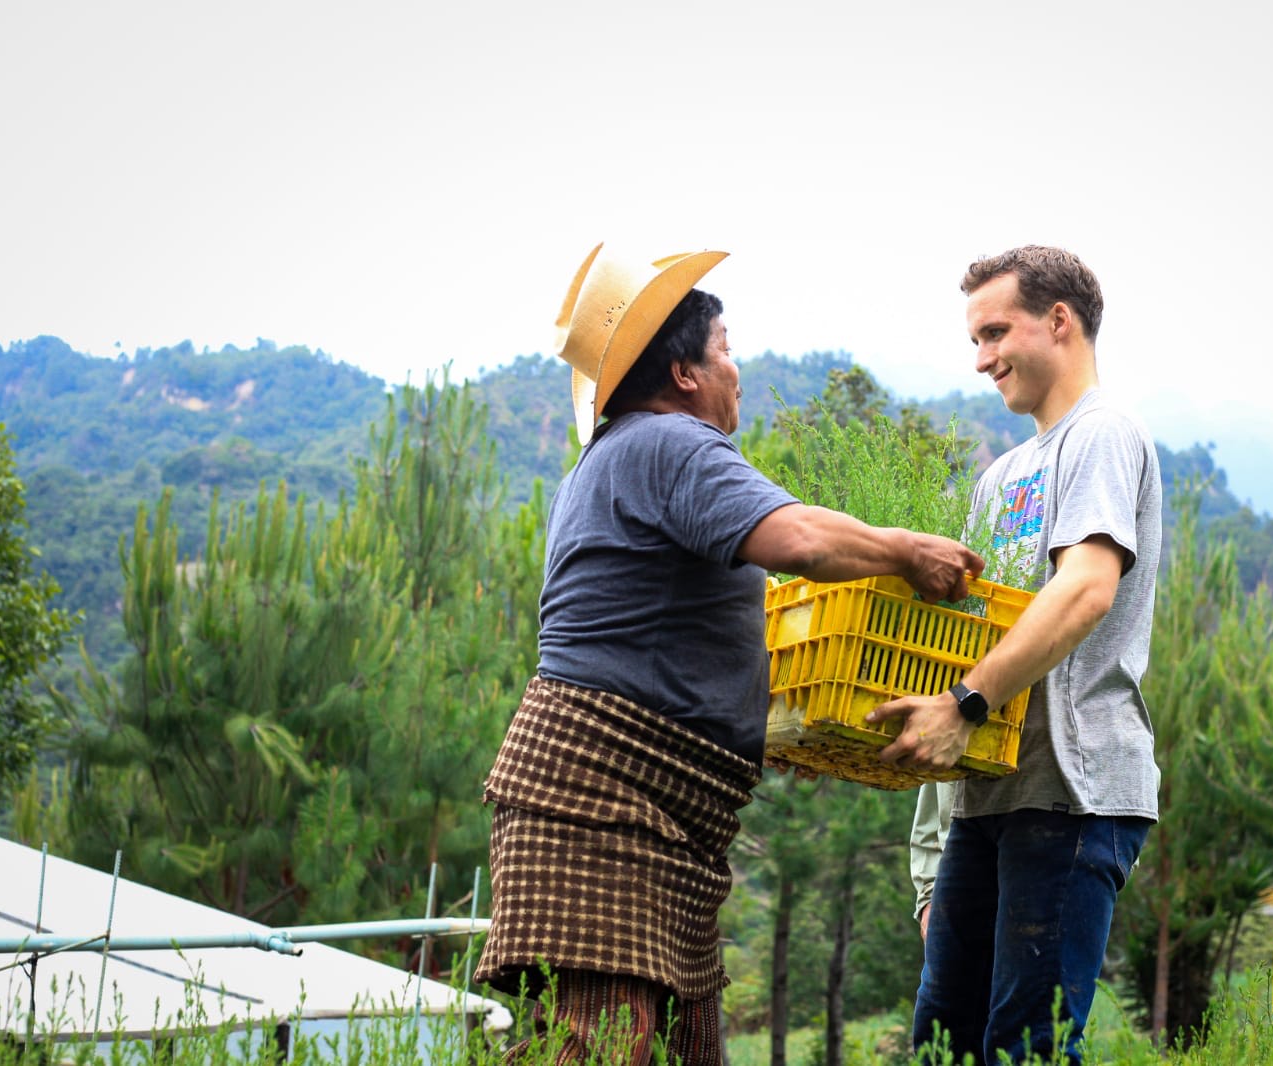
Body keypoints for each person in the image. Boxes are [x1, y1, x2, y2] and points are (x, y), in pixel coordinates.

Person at [472, 243, 983, 1065]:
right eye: (726, 350)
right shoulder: (668, 445)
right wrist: (906, 551)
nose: (735, 370)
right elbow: (801, 539)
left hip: (658, 814)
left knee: (680, 1048)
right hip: (600, 804)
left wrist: (783, 733)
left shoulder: (613, 460)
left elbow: (663, 641)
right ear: (684, 374)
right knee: (604, 1048)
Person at [866, 245, 1161, 1065]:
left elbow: (1087, 588)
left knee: (1024, 1048)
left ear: (1058, 321)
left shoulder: (1103, 434)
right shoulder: (1001, 476)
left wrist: (965, 704)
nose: (981, 358)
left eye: (996, 331)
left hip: (1072, 793)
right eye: (975, 338)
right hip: (988, 796)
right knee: (942, 1042)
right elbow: (962, 630)